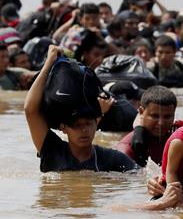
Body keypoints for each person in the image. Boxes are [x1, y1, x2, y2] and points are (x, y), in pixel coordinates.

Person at [24, 44, 137, 173]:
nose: (84, 130)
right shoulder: (53, 151)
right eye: (77, 125)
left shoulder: (110, 159)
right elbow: (30, 110)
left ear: (96, 123)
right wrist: (49, 63)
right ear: (63, 128)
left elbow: (140, 175)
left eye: (88, 124)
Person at [115, 86, 183, 166]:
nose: (161, 123)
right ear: (141, 111)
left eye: (167, 117)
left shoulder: (180, 132)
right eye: (154, 116)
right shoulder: (126, 149)